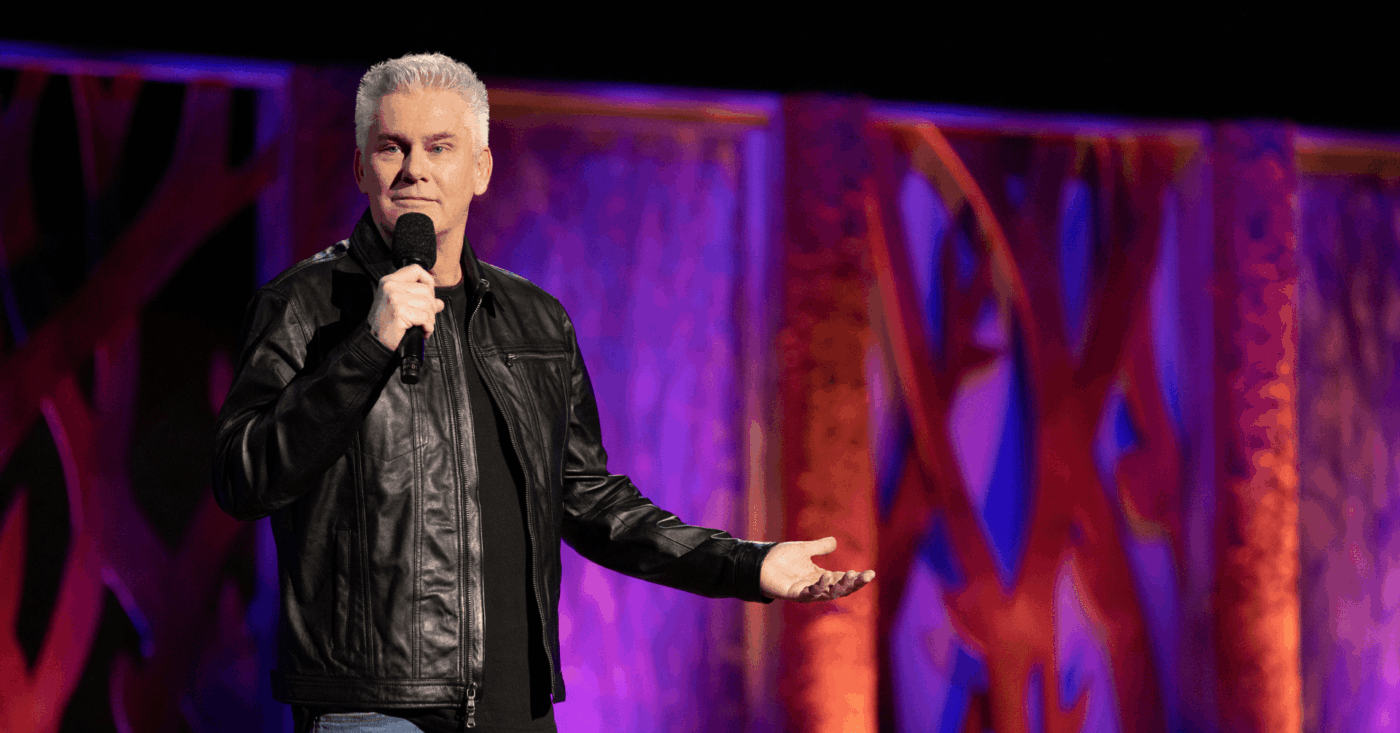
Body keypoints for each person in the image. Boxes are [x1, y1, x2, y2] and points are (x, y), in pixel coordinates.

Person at [212, 52, 873, 733]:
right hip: (375, 708)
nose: (414, 169)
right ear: (362, 168)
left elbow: (594, 502)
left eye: (440, 147)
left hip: (515, 707)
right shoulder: (304, 305)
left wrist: (748, 564)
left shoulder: (535, 321)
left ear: (481, 169)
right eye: (391, 147)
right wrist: (367, 347)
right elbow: (244, 475)